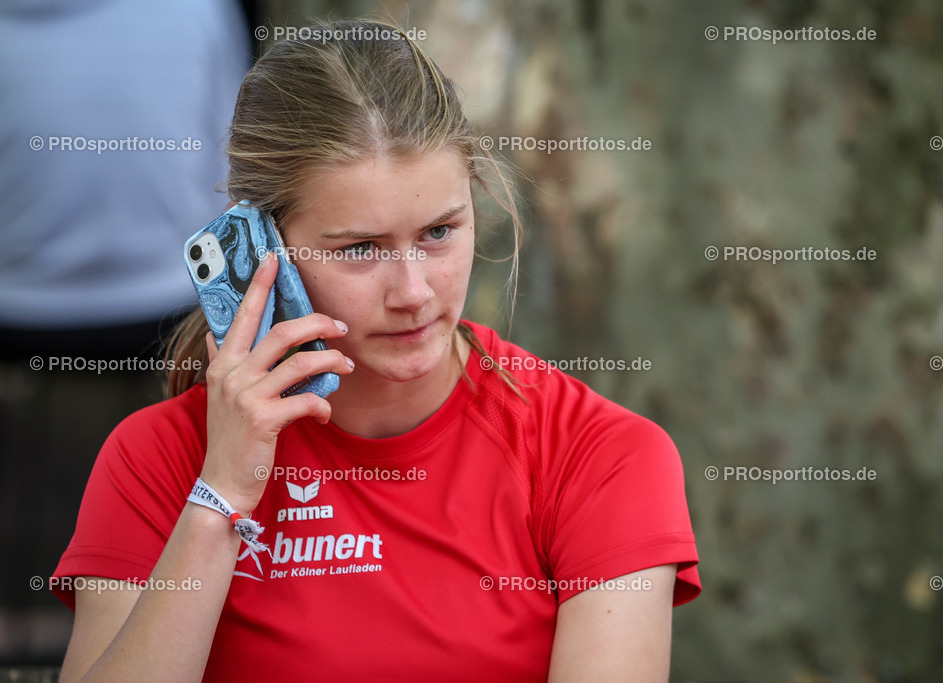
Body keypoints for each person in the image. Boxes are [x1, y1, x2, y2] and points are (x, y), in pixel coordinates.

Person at [51, 19, 700, 681]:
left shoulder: (602, 456)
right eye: (360, 248)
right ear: (262, 248)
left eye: (439, 231)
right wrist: (221, 495)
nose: (415, 291)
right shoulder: (159, 460)